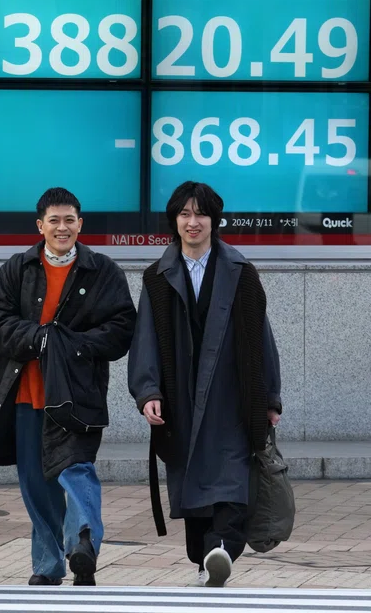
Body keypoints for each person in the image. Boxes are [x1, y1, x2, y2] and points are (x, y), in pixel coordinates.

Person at [0, 187, 136, 587]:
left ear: (81, 224)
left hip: (78, 394)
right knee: (35, 481)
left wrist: (73, 346)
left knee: (75, 468)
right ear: (40, 225)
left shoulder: (104, 271)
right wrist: (39, 339)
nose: (62, 228)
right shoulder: (18, 268)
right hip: (26, 394)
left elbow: (121, 329)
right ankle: (48, 564)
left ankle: (82, 542)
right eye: (54, 220)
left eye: (69, 220)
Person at [127, 181, 282, 588]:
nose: (192, 222)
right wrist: (148, 392)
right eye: (184, 214)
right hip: (180, 399)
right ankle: (206, 557)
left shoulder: (241, 272)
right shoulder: (157, 277)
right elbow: (143, 338)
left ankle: (223, 548)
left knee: (232, 479)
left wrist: (270, 397)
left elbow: (262, 337)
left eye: (200, 214)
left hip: (233, 396)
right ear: (174, 221)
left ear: (215, 220)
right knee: (192, 483)